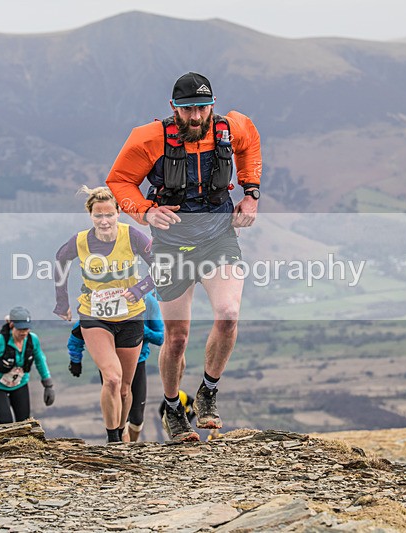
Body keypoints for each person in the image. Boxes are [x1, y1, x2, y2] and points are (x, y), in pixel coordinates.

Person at [106, 72, 262, 442]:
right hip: (171, 245)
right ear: (174, 107)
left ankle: (208, 391)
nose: (196, 117)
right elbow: (118, 181)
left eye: (203, 108)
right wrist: (144, 211)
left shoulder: (230, 128)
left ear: (212, 105)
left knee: (228, 313)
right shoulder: (147, 138)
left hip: (217, 237)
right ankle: (175, 409)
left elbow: (251, 141)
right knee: (176, 337)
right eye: (188, 109)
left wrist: (251, 192)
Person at [54, 185, 156, 443]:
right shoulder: (80, 241)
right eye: (98, 215)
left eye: (109, 214)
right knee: (111, 378)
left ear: (118, 212)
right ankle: (112, 442)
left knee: (124, 389)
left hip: (131, 316)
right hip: (94, 316)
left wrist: (140, 289)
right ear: (90, 215)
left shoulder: (132, 236)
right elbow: (60, 262)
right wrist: (62, 303)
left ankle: (120, 433)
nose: (104, 220)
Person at [67, 291, 164, 442]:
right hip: (109, 361)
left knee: (137, 418)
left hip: (137, 361)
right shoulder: (106, 295)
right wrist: (75, 359)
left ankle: (130, 445)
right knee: (114, 390)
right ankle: (116, 441)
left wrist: (141, 329)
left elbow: (160, 337)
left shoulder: (149, 301)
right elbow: (79, 330)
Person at [0, 307, 55, 424]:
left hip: (20, 385)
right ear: (12, 325)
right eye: (20, 329)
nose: (23, 332)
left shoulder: (33, 340)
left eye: (26, 329)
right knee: (6, 423)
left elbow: (40, 361)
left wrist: (48, 385)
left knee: (24, 423)